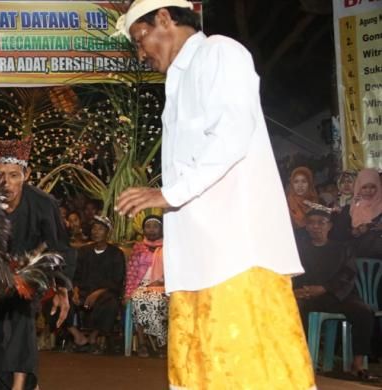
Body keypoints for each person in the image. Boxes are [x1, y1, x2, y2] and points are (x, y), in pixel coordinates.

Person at [113, 1, 314, 388]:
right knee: (200, 371)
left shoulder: (219, 53)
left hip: (235, 256)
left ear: (165, 19)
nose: (141, 53)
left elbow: (231, 135)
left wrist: (168, 193)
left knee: (245, 370)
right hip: (197, 262)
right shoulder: (178, 82)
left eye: (141, 40)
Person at [0, 137, 73, 390]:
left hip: (33, 274)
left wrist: (63, 289)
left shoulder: (44, 205)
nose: (7, 183)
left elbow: (59, 248)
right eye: (0, 175)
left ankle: (21, 384)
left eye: (14, 175)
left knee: (19, 309)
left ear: (26, 175)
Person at [295, 209, 376, 380]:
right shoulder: (299, 249)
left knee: (364, 312)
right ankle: (302, 361)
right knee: (294, 309)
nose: (316, 226)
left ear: (329, 226)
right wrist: (299, 290)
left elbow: (347, 274)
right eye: (311, 223)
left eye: (321, 222)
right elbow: (293, 273)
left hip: (338, 295)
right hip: (309, 296)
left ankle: (357, 364)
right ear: (306, 226)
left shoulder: (342, 248)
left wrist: (325, 288)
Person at [66, 215, 125, 354]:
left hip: (105, 292)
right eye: (94, 228)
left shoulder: (116, 254)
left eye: (100, 229)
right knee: (61, 299)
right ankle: (78, 337)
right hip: (83, 290)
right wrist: (75, 291)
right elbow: (76, 274)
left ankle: (93, 337)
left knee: (109, 303)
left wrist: (96, 293)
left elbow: (117, 280)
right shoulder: (83, 251)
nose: (96, 232)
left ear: (107, 232)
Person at [124, 215, 168, 357]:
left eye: (155, 227)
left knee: (157, 299)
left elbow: (175, 271)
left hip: (163, 285)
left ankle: (161, 342)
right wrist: (127, 293)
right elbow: (131, 272)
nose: (152, 230)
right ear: (143, 230)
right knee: (137, 299)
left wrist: (161, 282)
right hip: (141, 286)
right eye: (148, 227)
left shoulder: (169, 247)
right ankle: (143, 343)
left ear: (161, 229)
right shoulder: (138, 248)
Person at [331, 169, 382, 257]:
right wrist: (353, 232)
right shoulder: (349, 209)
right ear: (358, 187)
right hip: (357, 260)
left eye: (373, 187)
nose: (368, 191)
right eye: (364, 187)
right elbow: (337, 236)